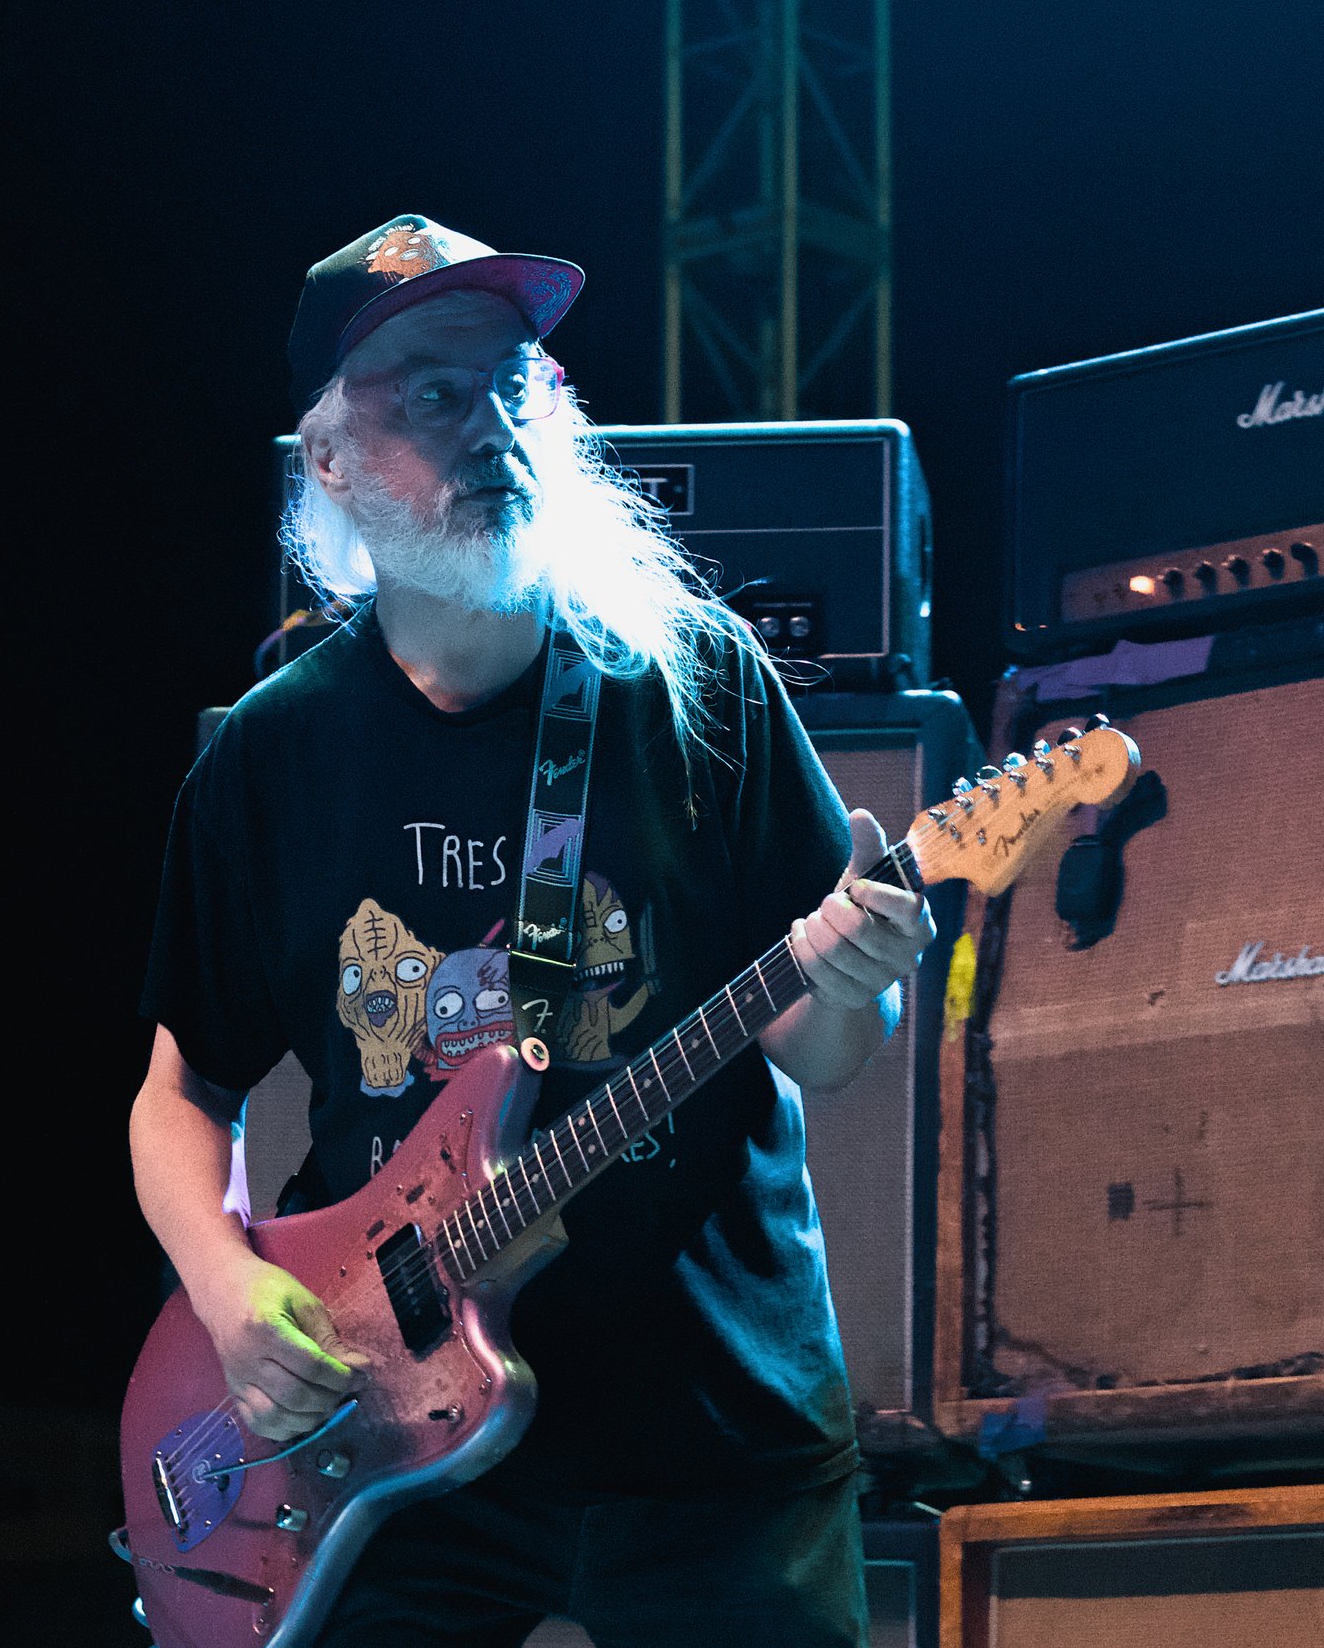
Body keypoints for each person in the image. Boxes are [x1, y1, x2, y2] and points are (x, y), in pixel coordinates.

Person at [129, 214, 933, 1647]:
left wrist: (858, 979)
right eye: (435, 392)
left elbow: (825, 1045)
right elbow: (181, 1089)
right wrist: (226, 1281)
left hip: (713, 1426)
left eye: (514, 381)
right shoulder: (268, 758)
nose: (491, 422)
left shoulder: (693, 686)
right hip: (389, 1431)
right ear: (329, 460)